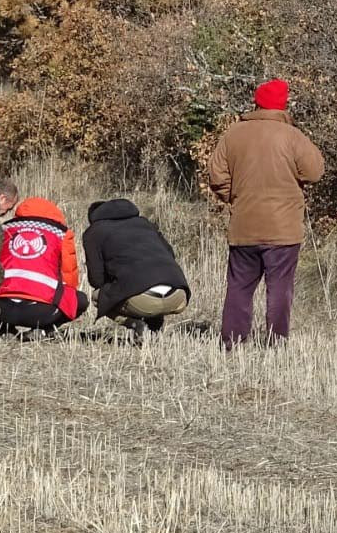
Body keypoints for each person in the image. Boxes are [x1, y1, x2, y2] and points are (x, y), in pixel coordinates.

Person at [206, 79, 324, 347]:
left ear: (256, 102)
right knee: (280, 288)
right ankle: (276, 342)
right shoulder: (293, 136)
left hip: (244, 225)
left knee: (239, 287)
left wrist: (234, 198)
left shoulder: (233, 134)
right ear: (283, 105)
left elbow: (217, 176)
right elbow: (315, 171)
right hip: (284, 229)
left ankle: (232, 342)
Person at [82, 199, 191, 337]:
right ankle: (153, 329)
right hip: (178, 296)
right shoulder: (145, 223)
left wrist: (115, 278)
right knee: (146, 283)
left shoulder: (94, 232)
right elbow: (171, 253)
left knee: (99, 296)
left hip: (144, 301)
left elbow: (96, 280)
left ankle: (134, 324)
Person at [0, 197, 87, 334]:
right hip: (41, 312)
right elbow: (69, 276)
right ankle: (43, 330)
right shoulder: (61, 233)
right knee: (80, 300)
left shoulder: (5, 229)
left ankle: (3, 328)